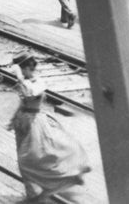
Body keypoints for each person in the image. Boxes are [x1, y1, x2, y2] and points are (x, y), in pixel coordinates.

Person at [8, 53, 90, 202]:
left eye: (22, 69)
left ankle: (60, 182)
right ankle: (31, 194)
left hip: (34, 124)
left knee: (28, 160)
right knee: (23, 159)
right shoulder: (26, 81)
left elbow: (29, 93)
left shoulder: (38, 82)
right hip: (23, 123)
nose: (21, 73)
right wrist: (13, 118)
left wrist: (19, 76)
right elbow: (22, 102)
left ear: (28, 68)